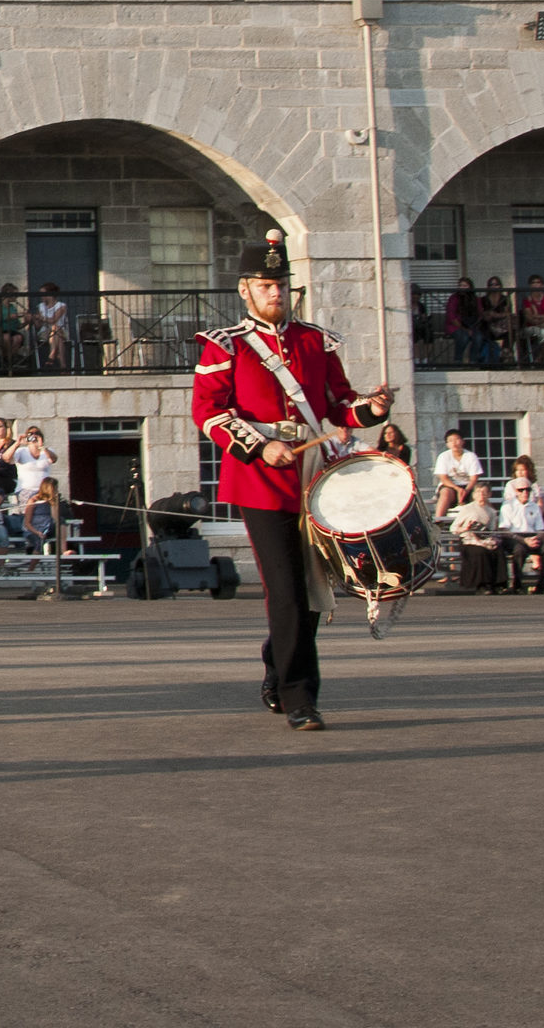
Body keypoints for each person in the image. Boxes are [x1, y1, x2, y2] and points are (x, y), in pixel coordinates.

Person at [190, 231, 394, 730]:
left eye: (281, 284)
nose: (276, 293)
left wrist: (371, 408)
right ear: (245, 290)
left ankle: (277, 661)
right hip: (259, 478)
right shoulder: (226, 346)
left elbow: (337, 404)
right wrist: (260, 444)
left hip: (313, 473)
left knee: (312, 589)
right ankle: (301, 698)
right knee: (285, 589)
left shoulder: (313, 341)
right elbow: (208, 413)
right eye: (265, 285)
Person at [430, 427, 481, 516]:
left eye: (457, 439)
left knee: (480, 493)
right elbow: (443, 478)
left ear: (462, 441)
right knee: (445, 492)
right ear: (447, 444)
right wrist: (457, 489)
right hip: (450, 486)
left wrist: (466, 491)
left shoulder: (471, 456)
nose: (454, 443)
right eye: (450, 441)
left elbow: (474, 478)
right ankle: (438, 520)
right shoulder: (443, 456)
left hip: (468, 486)